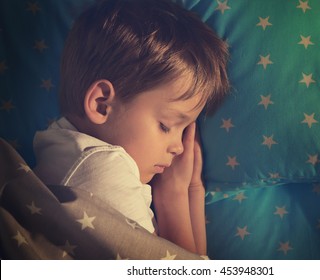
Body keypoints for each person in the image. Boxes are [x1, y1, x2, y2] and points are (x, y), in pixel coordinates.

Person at [33, 0, 229, 256]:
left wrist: (192, 189)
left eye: (185, 130)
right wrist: (174, 195)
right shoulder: (103, 168)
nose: (179, 146)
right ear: (101, 104)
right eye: (166, 125)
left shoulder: (59, 146)